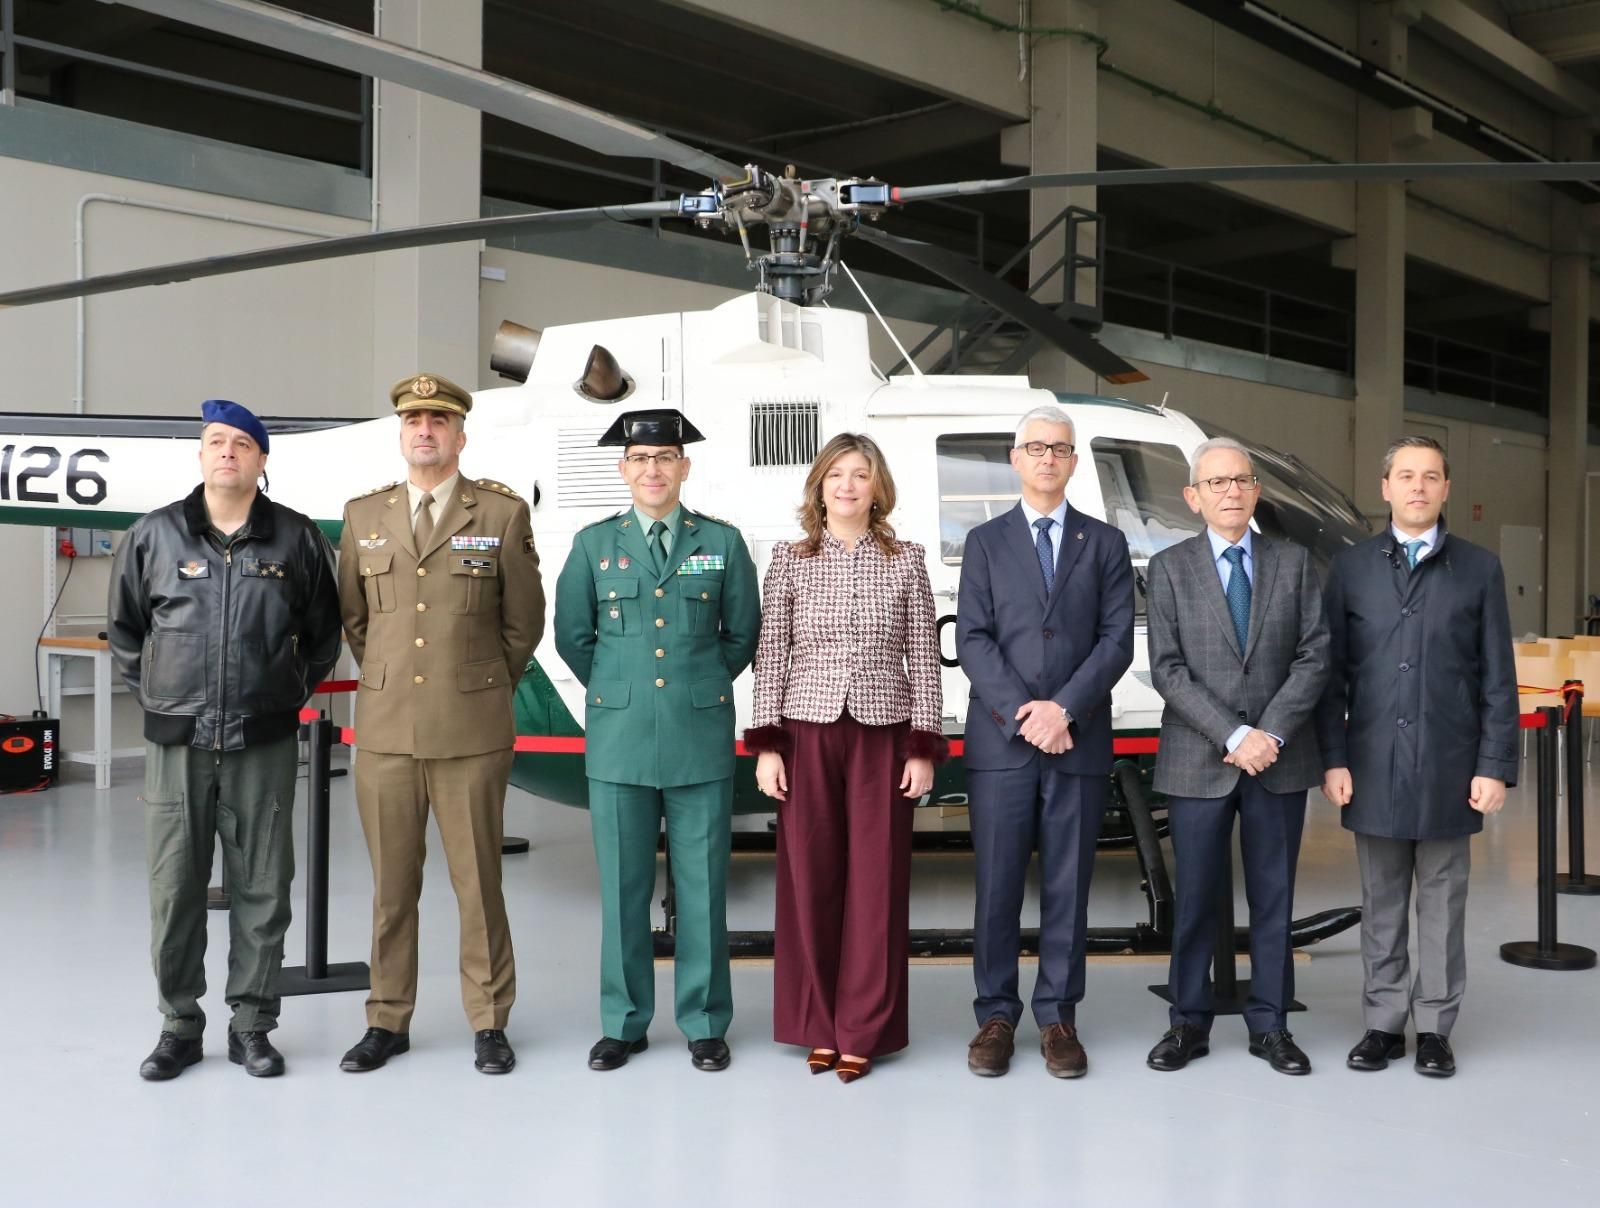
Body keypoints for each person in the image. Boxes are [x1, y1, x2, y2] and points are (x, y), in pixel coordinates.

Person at [108, 399, 342, 1081]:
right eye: (216, 441)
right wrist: (160, 700)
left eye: (243, 443)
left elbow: (324, 636)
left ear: (262, 461)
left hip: (261, 743)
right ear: (201, 454)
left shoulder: (295, 539)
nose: (228, 453)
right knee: (175, 888)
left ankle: (252, 1025)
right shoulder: (154, 536)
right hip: (177, 745)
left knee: (264, 886)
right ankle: (179, 1026)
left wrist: (281, 696)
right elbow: (126, 633)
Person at [336, 373, 544, 1075]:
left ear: (461, 436)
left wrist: (480, 683)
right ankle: (387, 1018)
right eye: (413, 420)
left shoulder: (501, 515)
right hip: (388, 733)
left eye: (439, 420)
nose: (424, 430)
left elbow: (523, 624)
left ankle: (489, 1020)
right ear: (401, 434)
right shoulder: (365, 517)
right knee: (393, 888)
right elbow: (358, 623)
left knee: (478, 885)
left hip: (471, 731)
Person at [553, 408, 760, 1073]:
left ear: (685, 467)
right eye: (640, 460)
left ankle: (703, 1021)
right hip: (619, 740)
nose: (653, 469)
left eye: (665, 457)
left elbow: (741, 635)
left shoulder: (723, 544)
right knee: (623, 889)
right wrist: (625, 688)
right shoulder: (592, 546)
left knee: (702, 889)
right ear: (624, 470)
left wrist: (693, 687)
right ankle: (624, 1023)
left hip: (698, 736)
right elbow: (573, 636)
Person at [744, 434, 947, 1084]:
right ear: (820, 485)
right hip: (806, 730)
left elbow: (925, 659)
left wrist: (924, 745)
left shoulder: (908, 559)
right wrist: (767, 746)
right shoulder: (791, 559)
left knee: (876, 882)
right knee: (810, 877)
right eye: (838, 474)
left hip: (883, 732)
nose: (849, 486)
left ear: (878, 486)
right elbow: (770, 652)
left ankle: (864, 1027)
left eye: (861, 475)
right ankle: (817, 1023)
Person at [1317, 435, 1516, 1078]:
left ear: (1447, 488)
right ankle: (1382, 1024)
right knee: (1380, 902)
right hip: (1371, 762)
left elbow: (1497, 679)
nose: (1418, 487)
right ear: (1385, 487)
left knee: (1442, 900)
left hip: (1449, 766)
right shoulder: (1350, 569)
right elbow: (1331, 675)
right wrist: (1334, 757)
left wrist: (1494, 764)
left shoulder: (1480, 569)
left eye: (1431, 476)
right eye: (1406, 475)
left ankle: (1434, 1027)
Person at [955, 404, 1135, 1079]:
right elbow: (972, 637)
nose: (1047, 458)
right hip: (1002, 745)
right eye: (1035, 447)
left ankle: (1058, 1016)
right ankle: (996, 1016)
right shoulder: (985, 542)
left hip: (1077, 741)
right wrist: (1023, 712)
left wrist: (1064, 709)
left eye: (1059, 449)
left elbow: (1116, 641)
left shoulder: (1105, 544)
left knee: (1069, 885)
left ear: (1074, 461)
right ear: (1015, 459)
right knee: (996, 885)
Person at [1143, 436, 1329, 1076]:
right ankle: (1187, 1023)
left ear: (1256, 491)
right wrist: (1232, 735)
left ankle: (1272, 1025)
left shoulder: (1296, 563)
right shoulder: (1168, 568)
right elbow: (1166, 669)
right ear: (1193, 498)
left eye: (1241, 480)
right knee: (1196, 896)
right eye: (1215, 483)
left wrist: (1268, 734)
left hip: (1280, 759)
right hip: (1199, 759)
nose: (1230, 491)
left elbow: (1314, 655)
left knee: (1275, 897)